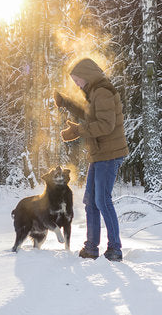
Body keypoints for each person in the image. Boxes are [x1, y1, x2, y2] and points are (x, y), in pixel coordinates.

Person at [54, 58, 129, 262]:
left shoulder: (103, 91)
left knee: (102, 201)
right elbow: (89, 115)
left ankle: (115, 249)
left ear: (87, 75)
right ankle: (91, 247)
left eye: (78, 80)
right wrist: (66, 102)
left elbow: (105, 125)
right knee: (90, 201)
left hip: (109, 154)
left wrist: (78, 130)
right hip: (99, 154)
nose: (77, 84)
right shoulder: (95, 92)